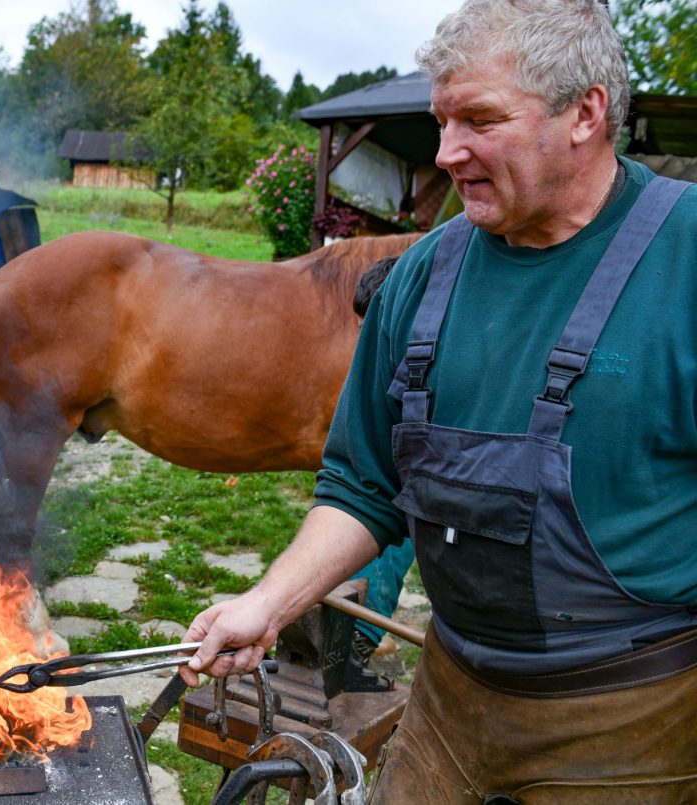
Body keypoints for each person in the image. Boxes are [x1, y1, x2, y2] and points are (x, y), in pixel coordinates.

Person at [180, 0, 697, 801]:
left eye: (480, 120)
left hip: (633, 720)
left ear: (586, 113)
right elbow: (363, 484)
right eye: (443, 121)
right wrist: (268, 602)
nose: (448, 152)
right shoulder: (424, 274)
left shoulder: (684, 261)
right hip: (449, 701)